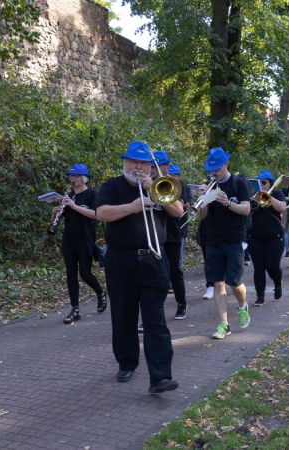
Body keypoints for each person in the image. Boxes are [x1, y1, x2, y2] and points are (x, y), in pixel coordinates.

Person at [95, 141, 182, 394]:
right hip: (120, 259)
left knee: (155, 318)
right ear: (124, 162)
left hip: (154, 259)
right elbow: (101, 213)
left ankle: (161, 377)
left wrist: (154, 192)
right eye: (133, 162)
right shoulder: (112, 186)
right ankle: (127, 362)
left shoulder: (158, 186)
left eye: (143, 163)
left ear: (151, 167)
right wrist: (132, 207)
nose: (138, 167)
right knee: (123, 314)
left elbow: (177, 211)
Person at [197, 147, 252, 339]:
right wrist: (202, 200)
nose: (214, 173)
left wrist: (228, 203)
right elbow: (201, 216)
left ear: (226, 164)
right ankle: (224, 324)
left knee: (234, 283)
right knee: (218, 282)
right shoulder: (209, 185)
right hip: (213, 239)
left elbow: (246, 210)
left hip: (234, 239)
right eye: (211, 169)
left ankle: (242, 305)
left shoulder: (239, 183)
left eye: (217, 169)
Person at [51, 163, 107, 325]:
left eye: (75, 176)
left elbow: (96, 215)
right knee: (70, 274)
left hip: (85, 239)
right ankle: (75, 309)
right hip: (69, 240)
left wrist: (74, 206)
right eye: (71, 176)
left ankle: (100, 292)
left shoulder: (91, 195)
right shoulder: (68, 195)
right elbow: (56, 221)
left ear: (83, 178)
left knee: (85, 273)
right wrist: (54, 213)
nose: (72, 178)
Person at [151, 153, 189, 320]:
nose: (156, 170)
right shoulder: (145, 184)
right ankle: (153, 312)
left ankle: (181, 304)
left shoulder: (176, 184)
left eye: (160, 166)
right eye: (153, 166)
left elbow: (179, 208)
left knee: (174, 271)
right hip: (152, 236)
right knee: (153, 276)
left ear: (166, 166)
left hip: (172, 233)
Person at [249, 170, 286, 306]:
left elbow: (282, 207)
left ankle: (277, 283)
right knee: (258, 267)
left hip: (274, 236)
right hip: (255, 236)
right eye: (258, 183)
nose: (261, 185)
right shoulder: (251, 196)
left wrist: (267, 196)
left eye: (263, 182)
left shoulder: (277, 193)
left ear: (270, 183)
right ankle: (260, 296)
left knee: (272, 266)